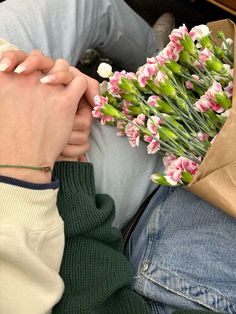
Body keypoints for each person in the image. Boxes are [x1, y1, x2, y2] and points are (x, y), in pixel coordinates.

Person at [0, 0, 175, 229]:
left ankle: (158, 58)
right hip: (23, 202)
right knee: (163, 138)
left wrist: (36, 77)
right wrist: (27, 162)